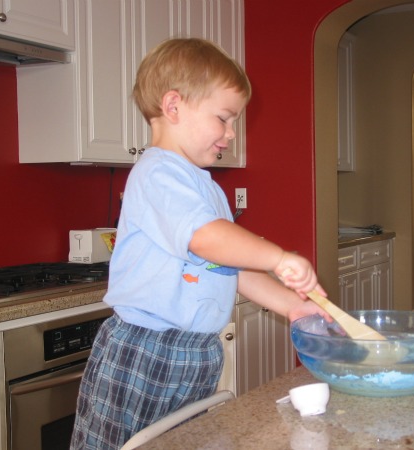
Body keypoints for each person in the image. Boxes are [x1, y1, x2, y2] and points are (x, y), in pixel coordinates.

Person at [70, 38, 328, 450]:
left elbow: (231, 267)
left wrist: (292, 305)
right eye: (224, 118)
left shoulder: (204, 187)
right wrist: (279, 257)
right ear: (173, 107)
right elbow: (207, 240)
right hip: (146, 349)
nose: (230, 133)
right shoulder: (156, 173)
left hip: (195, 353)